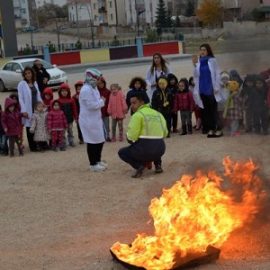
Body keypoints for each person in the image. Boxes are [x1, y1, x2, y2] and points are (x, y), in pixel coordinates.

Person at [118, 91, 168, 178]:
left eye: (134, 103)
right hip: (160, 149)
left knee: (122, 152)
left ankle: (139, 166)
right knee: (155, 142)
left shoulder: (138, 115)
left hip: (145, 150)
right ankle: (158, 165)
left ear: (142, 102)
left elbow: (131, 136)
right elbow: (165, 133)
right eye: (131, 103)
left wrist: (129, 138)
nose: (132, 106)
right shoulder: (158, 114)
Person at [79, 68, 107, 172]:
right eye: (98, 78)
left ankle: (98, 160)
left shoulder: (93, 87)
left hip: (95, 119)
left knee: (100, 140)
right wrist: (102, 101)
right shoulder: (85, 89)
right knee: (92, 142)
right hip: (88, 120)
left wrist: (100, 102)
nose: (100, 81)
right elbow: (91, 105)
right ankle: (93, 164)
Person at [192, 43, 223, 138]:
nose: (202, 51)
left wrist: (217, 87)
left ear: (208, 51)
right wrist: (194, 64)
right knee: (206, 111)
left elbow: (217, 73)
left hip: (211, 89)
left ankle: (218, 129)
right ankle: (210, 128)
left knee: (213, 110)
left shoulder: (212, 60)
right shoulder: (199, 62)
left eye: (204, 50)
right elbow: (196, 75)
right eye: (201, 50)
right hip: (202, 89)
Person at [18, 67, 43, 152]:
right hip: (28, 108)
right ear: (24, 75)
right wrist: (23, 110)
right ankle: (33, 147)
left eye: (29, 73)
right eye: (26, 73)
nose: (28, 75)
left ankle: (38, 143)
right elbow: (20, 98)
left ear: (32, 73)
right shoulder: (22, 84)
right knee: (29, 127)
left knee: (37, 125)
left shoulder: (35, 83)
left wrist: (41, 104)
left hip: (36, 107)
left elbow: (38, 95)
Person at [57, 83, 78, 147]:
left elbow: (74, 109)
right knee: (62, 132)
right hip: (61, 120)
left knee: (70, 131)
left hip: (70, 119)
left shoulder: (71, 100)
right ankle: (63, 142)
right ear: (60, 92)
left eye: (66, 91)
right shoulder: (58, 101)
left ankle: (71, 141)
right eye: (62, 91)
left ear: (68, 92)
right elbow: (57, 111)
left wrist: (76, 117)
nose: (64, 92)